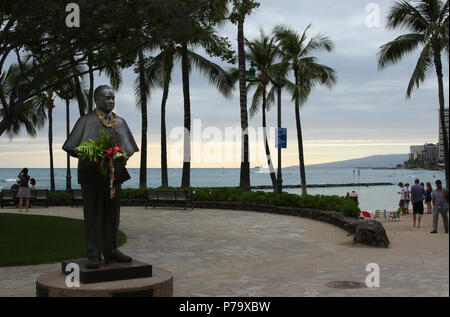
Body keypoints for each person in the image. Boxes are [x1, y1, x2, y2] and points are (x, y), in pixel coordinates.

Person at [63, 85, 139, 269]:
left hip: (113, 176)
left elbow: (128, 149)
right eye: (107, 98)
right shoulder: (86, 120)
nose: (111, 101)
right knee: (93, 215)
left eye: (113, 98)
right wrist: (94, 155)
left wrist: (118, 155)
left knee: (113, 215)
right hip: (91, 176)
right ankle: (93, 254)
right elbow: (72, 147)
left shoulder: (119, 122)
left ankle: (111, 250)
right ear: (96, 100)